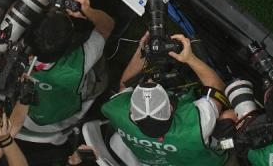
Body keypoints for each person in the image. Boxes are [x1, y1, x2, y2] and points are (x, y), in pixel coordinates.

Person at [99, 34, 230, 166]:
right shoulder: (196, 125)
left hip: (152, 161)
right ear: (171, 107)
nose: (150, 80)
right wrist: (190, 59)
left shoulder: (118, 112)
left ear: (131, 112)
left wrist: (144, 51)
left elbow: (124, 85)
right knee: (228, 116)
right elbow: (216, 87)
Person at [17, 0, 114, 145]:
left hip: (29, 120)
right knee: (98, 66)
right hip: (63, 120)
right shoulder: (78, 63)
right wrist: (88, 11)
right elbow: (107, 26)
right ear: (71, 45)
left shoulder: (14, 53)